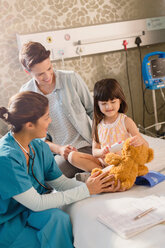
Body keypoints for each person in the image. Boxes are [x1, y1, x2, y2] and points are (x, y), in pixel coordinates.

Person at [0, 91, 121, 248]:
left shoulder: (39, 146)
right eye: (46, 117)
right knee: (34, 241)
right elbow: (36, 203)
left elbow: (61, 183)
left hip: (28, 212)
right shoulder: (6, 158)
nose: (50, 121)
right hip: (8, 221)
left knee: (60, 219)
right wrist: (86, 190)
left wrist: (98, 186)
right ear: (29, 125)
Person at [19, 41, 93, 178]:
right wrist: (59, 149)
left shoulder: (71, 79)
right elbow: (34, 138)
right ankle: (89, 177)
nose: (47, 76)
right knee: (40, 177)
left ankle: (90, 176)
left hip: (85, 145)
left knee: (56, 176)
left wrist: (101, 142)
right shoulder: (27, 94)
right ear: (27, 72)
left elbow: (93, 111)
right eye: (40, 74)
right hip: (56, 152)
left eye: (49, 68)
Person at [67, 78, 149, 172]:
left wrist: (139, 141)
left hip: (122, 162)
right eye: (104, 103)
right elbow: (95, 152)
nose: (109, 107)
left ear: (120, 101)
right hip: (103, 163)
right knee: (72, 156)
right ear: (98, 104)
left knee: (126, 164)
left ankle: (104, 174)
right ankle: (104, 173)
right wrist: (102, 152)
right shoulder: (97, 125)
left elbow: (145, 145)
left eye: (113, 102)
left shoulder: (126, 121)